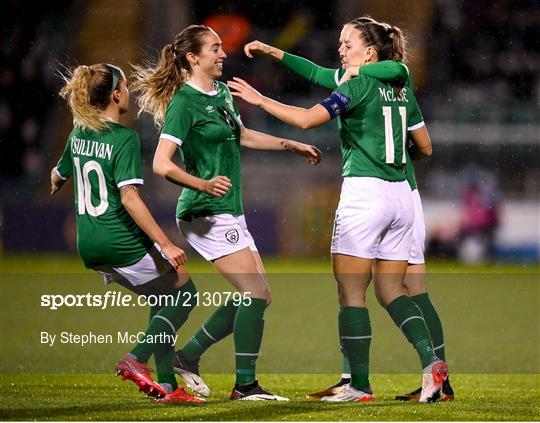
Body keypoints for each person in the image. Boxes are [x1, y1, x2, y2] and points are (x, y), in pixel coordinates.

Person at [228, 16, 448, 403]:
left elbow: (308, 120)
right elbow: (424, 146)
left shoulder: (359, 84)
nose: (341, 49)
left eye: (348, 43)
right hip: (403, 194)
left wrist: (261, 101)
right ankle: (433, 367)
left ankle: (358, 385)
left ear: (369, 51)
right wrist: (275, 51)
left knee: (351, 293)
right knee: (392, 290)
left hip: (365, 192)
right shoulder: (399, 87)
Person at [131, 24, 321, 401]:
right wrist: (201, 184)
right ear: (192, 57)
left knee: (259, 296)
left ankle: (189, 356)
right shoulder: (184, 103)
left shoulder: (220, 93)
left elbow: (243, 135)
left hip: (227, 209)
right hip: (204, 210)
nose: (222, 54)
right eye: (215, 48)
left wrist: (290, 144)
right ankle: (245, 385)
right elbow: (161, 163)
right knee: (254, 292)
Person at [50, 63, 204, 404]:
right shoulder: (124, 138)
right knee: (185, 293)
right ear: (116, 94)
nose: (129, 93)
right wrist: (164, 244)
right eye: (124, 86)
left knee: (164, 297)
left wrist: (58, 179)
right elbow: (130, 197)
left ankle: (167, 387)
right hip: (118, 239)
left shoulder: (78, 134)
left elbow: (58, 173)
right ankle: (136, 359)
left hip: (88, 243)